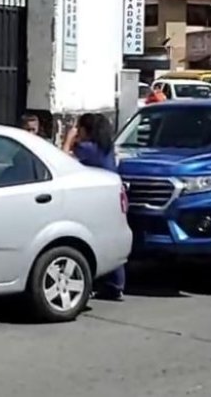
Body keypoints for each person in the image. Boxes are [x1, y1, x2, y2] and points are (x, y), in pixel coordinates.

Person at [63, 112, 125, 301]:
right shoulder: (105, 147)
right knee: (112, 238)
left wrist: (69, 138)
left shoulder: (87, 148)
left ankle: (109, 284)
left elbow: (63, 158)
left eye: (79, 128)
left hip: (98, 199)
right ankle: (116, 284)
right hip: (112, 196)